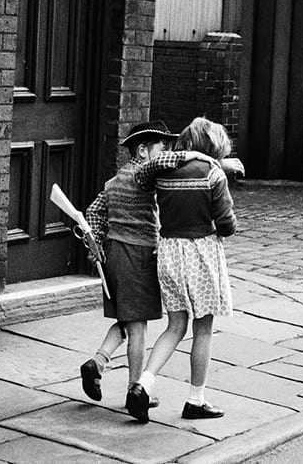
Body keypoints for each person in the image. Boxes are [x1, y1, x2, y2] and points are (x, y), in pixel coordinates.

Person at [126, 117, 238, 423]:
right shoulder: (213, 174)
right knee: (203, 329)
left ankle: (142, 384)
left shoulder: (162, 172)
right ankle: (196, 400)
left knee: (175, 326)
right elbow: (228, 225)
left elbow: (142, 178)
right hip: (201, 252)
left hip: (170, 251)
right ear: (212, 147)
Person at [78, 121, 194, 408]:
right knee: (139, 327)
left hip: (114, 254)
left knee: (127, 319)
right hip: (138, 255)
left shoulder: (114, 181)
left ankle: (98, 362)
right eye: (161, 147)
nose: (166, 152)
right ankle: (135, 390)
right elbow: (169, 162)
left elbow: (93, 213)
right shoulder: (144, 174)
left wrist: (95, 247)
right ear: (142, 151)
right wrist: (200, 157)